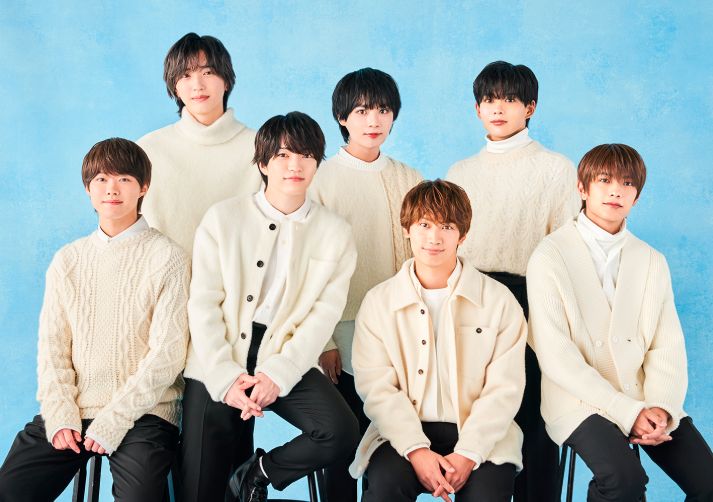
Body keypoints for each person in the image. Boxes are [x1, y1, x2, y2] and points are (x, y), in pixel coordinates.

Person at [180, 111, 359, 502]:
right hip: (219, 354)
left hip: (284, 353)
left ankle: (257, 472)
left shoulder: (336, 233)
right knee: (198, 488)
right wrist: (224, 376)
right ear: (263, 163)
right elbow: (204, 303)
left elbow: (323, 315)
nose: (295, 165)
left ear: (317, 162)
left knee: (340, 430)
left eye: (305, 155)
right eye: (282, 155)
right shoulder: (223, 218)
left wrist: (279, 373)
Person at [0, 138, 190, 502]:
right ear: (88, 189)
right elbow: (53, 350)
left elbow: (167, 355)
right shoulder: (67, 260)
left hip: (144, 414)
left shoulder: (168, 257)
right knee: (9, 489)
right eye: (101, 179)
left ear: (143, 187)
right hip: (74, 410)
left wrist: (114, 419)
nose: (111, 189)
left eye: (124, 179)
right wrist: (60, 415)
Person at [527, 144, 713, 501]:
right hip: (578, 401)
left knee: (708, 482)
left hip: (643, 394)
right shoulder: (550, 255)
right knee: (624, 480)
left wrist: (661, 407)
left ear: (636, 197)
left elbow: (667, 346)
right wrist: (628, 411)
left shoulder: (651, 260)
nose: (616, 191)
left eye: (627, 183)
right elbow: (556, 356)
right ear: (582, 188)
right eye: (604, 180)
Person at [446, 60, 580, 501]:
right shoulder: (460, 173)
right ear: (477, 109)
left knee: (535, 416)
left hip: (532, 298)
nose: (497, 109)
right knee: (478, 416)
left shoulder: (556, 168)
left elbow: (567, 250)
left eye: (509, 99)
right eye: (488, 100)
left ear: (530, 108)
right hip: (471, 301)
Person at [352, 179, 526, 502]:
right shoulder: (378, 302)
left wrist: (468, 453)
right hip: (401, 432)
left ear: (463, 234)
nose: (434, 238)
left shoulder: (499, 301)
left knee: (488, 495)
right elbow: (376, 387)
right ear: (407, 229)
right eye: (424, 225)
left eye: (447, 226)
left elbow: (505, 388)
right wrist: (416, 450)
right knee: (386, 487)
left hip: (481, 433)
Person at [309, 67, 422, 501]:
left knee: (387, 447)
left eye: (383, 110)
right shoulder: (320, 180)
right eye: (361, 111)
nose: (373, 121)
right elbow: (308, 269)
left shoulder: (409, 178)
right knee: (344, 444)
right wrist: (323, 341)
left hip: (399, 331)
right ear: (342, 117)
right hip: (342, 332)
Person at [138, 32, 261, 254]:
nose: (198, 85)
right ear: (175, 87)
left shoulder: (262, 148)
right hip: (162, 275)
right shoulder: (147, 149)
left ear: (226, 81)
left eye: (208, 72)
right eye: (185, 75)